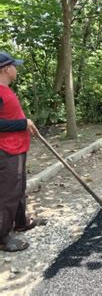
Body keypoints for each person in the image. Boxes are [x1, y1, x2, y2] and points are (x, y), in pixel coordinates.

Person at [0, 52, 41, 252]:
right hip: (6, 151)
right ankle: (2, 237)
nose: (17, 69)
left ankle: (20, 222)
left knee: (19, 188)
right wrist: (22, 123)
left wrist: (25, 124)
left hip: (17, 148)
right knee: (8, 194)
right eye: (14, 66)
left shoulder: (6, 89)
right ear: (6, 69)